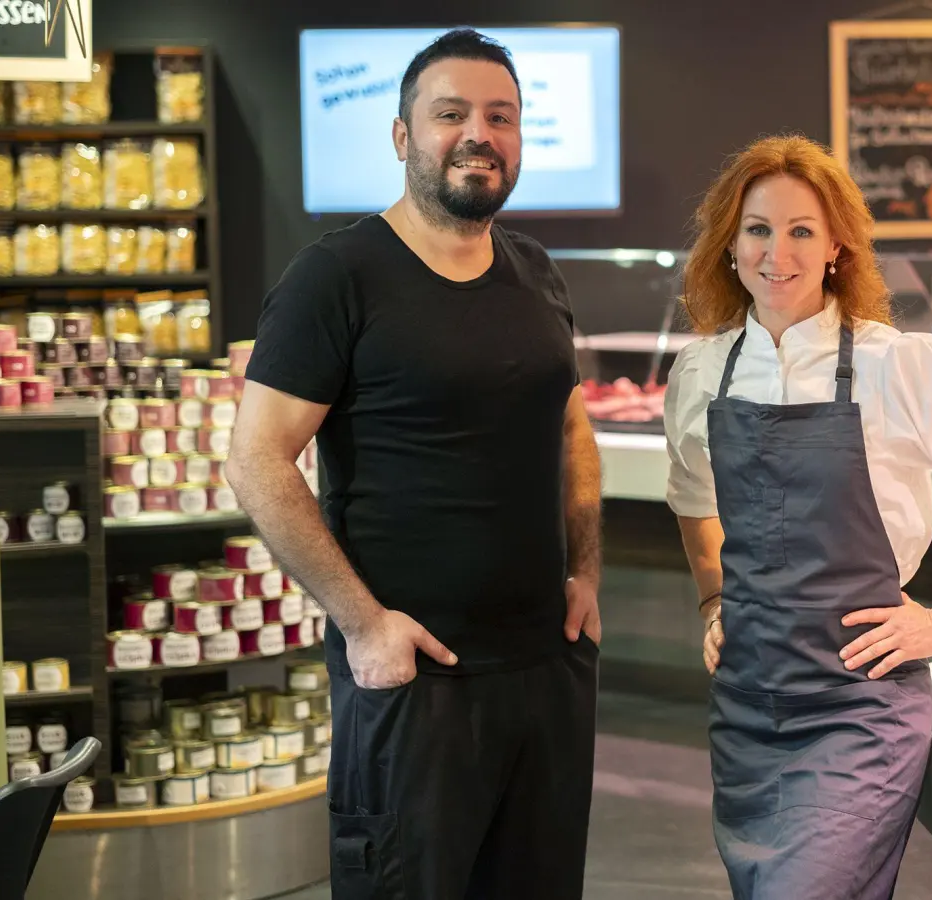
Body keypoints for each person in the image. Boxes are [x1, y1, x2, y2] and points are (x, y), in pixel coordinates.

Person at [226, 29, 601, 900]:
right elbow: (257, 459)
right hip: (414, 679)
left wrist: (584, 569)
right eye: (451, 114)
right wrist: (362, 624)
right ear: (403, 137)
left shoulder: (536, 271)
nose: (480, 133)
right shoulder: (337, 276)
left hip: (546, 671)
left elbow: (570, 426)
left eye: (500, 116)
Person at [663, 134, 932, 899]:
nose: (775, 252)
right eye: (757, 228)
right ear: (730, 243)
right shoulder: (700, 371)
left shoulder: (894, 365)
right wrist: (715, 597)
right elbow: (691, 498)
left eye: (801, 230)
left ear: (837, 249)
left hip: (858, 709)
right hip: (748, 708)